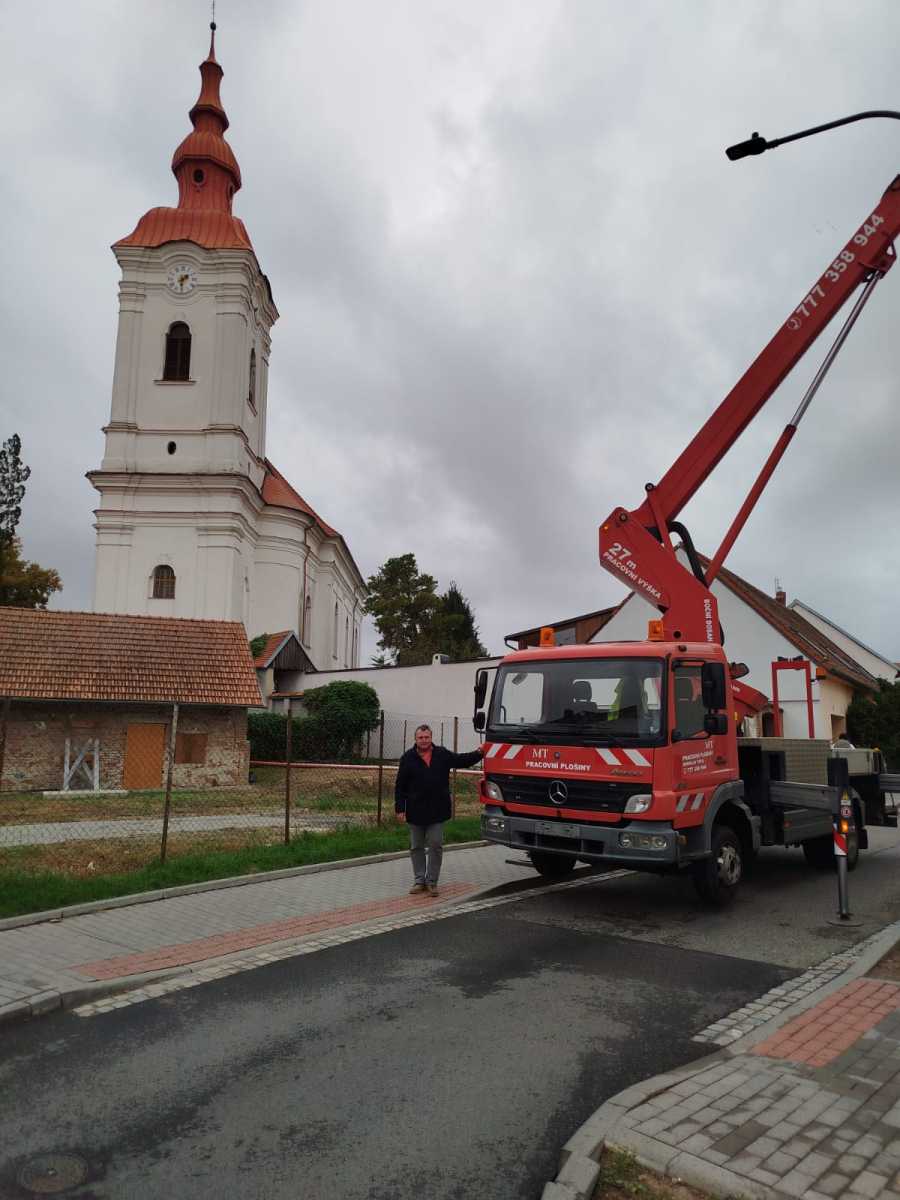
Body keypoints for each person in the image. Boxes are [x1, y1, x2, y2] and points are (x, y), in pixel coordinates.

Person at [394, 723, 484, 897]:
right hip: (415, 810)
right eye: (420, 737)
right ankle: (419, 881)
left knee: (435, 844)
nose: (424, 740)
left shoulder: (442, 754)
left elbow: (461, 760)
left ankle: (432, 882)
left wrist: (479, 752)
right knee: (416, 846)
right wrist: (400, 808)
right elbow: (400, 786)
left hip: (437, 810)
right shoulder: (407, 758)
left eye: (427, 737)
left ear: (431, 737)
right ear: (415, 739)